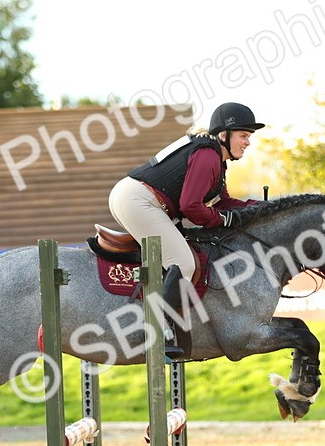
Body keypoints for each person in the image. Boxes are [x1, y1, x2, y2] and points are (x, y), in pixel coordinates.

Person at [108, 101, 263, 357]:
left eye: (249, 137)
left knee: (185, 258)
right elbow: (191, 207)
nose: (248, 142)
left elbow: (223, 203)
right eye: (244, 135)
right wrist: (223, 220)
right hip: (137, 200)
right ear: (223, 135)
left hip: (137, 197)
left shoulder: (215, 159)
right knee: (184, 263)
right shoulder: (207, 155)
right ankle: (153, 331)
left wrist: (259, 208)